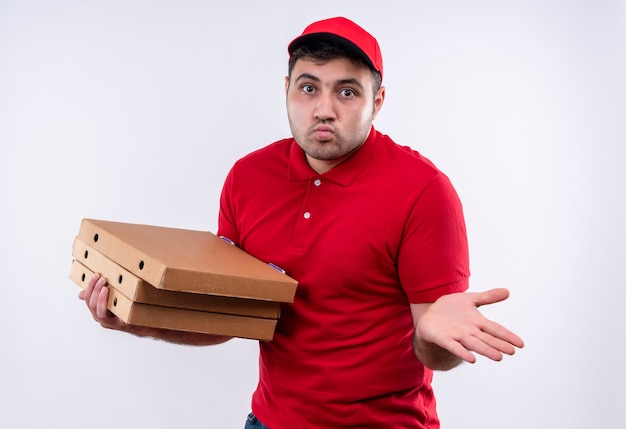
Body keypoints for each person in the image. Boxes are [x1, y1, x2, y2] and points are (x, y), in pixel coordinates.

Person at [80, 17, 524, 429]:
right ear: (287, 89)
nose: (324, 109)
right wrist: (140, 321)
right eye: (308, 88)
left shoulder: (425, 191)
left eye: (347, 92)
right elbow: (231, 317)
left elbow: (437, 344)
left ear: (378, 100)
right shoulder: (247, 178)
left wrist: (436, 340)